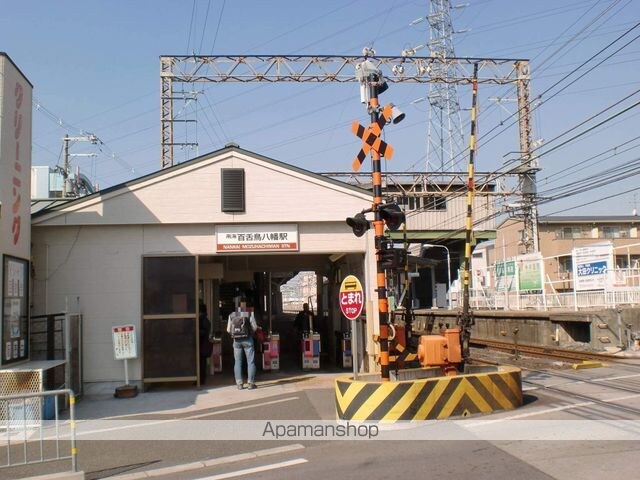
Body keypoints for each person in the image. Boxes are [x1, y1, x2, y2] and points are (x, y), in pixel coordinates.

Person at [227, 307, 259, 390]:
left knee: (237, 362)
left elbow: (228, 330)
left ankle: (239, 384)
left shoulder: (232, 315)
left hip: (236, 341)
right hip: (248, 339)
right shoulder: (249, 314)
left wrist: (236, 334)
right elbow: (255, 327)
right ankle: (250, 383)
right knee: (250, 361)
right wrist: (249, 332)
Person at [198, 302, 213, 385]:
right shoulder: (205, 319)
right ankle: (201, 379)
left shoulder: (202, 319)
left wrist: (196, 331)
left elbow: (204, 331)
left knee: (201, 362)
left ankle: (201, 379)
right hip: (203, 343)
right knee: (202, 362)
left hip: (201, 343)